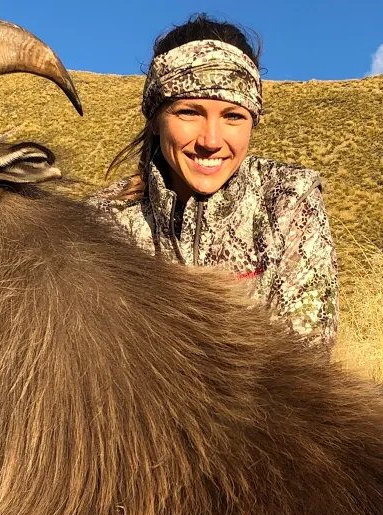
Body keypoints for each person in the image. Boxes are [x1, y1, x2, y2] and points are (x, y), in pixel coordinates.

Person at [94, 14, 339, 351]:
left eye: (233, 117)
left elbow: (306, 358)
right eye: (188, 113)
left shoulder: (289, 199)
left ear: (252, 123)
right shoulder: (105, 220)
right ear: (155, 121)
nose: (210, 140)